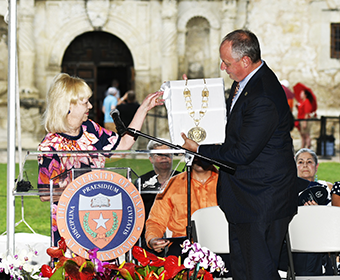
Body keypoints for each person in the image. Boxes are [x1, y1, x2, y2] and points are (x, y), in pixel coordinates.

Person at [181, 29, 301, 280]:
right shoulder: (246, 83)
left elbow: (243, 152)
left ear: (245, 61)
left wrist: (199, 149)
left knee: (259, 272)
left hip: (261, 201)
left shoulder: (263, 94)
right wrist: (189, 95)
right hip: (244, 199)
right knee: (243, 270)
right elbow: (226, 122)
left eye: (226, 62)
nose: (223, 67)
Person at [37, 73, 163, 203]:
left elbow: (124, 145)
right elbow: (46, 194)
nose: (90, 106)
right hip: (69, 220)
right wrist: (87, 187)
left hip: (98, 212)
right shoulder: (50, 145)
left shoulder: (90, 128)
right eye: (85, 102)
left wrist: (143, 109)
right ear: (69, 106)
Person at [145, 158, 218, 257]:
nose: (199, 157)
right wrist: (153, 239)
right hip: (183, 247)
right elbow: (156, 221)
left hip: (221, 244)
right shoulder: (172, 184)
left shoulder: (228, 183)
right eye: (194, 152)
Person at [280, 148, 333, 276]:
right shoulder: (285, 190)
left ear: (316, 166)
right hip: (295, 241)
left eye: (309, 162)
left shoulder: (328, 187)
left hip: (325, 238)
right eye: (300, 162)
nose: (304, 165)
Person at [137, 139, 180, 256]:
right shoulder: (140, 182)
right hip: (147, 239)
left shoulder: (183, 179)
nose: (164, 158)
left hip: (178, 238)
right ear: (150, 158)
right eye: (159, 155)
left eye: (168, 154)